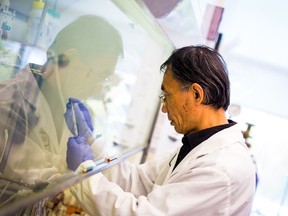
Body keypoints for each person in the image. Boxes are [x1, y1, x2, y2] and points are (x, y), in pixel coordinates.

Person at [67, 45, 256, 215]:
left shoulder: (220, 170)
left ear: (196, 94)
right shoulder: (198, 145)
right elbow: (137, 180)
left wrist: (82, 174)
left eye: (166, 96)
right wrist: (91, 143)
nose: (164, 108)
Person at [0, 14, 123, 201]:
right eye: (99, 76)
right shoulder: (8, 102)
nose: (99, 87)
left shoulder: (73, 112)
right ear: (69, 59)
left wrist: (89, 145)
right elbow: (25, 178)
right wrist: (77, 171)